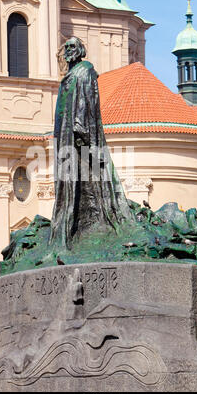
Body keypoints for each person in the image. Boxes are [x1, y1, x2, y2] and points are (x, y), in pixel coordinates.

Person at [50, 37, 133, 249]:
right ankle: (69, 228)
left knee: (88, 175)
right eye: (66, 47)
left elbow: (85, 99)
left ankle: (85, 226)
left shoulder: (85, 70)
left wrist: (80, 125)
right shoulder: (70, 74)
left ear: (80, 51)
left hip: (79, 132)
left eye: (72, 47)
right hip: (65, 135)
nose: (68, 51)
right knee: (69, 178)